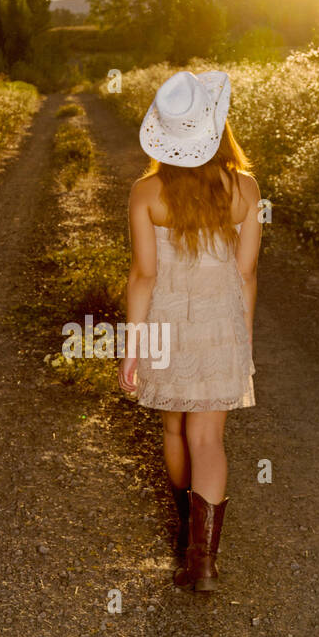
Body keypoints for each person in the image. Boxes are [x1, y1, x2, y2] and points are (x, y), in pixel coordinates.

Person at [118, 69, 262, 591]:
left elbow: (144, 275)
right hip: (221, 324)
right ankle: (203, 562)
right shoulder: (244, 189)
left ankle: (186, 535)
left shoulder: (147, 193)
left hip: (166, 324)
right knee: (209, 437)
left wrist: (132, 348)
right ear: (216, 127)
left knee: (174, 429)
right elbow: (245, 273)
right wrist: (241, 340)